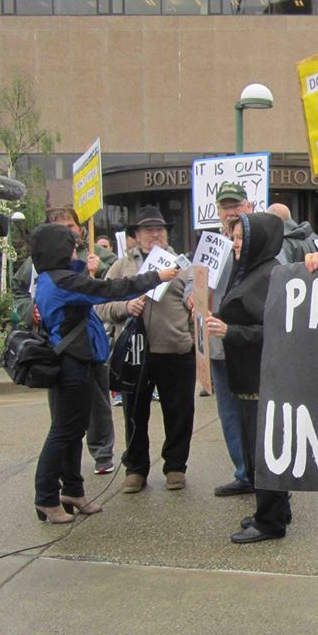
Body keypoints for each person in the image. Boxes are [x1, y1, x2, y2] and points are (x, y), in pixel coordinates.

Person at [29, 222, 177, 523]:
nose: (75, 250)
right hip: (72, 362)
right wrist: (156, 277)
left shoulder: (52, 278)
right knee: (64, 431)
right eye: (70, 245)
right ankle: (46, 497)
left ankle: (72, 490)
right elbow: (109, 289)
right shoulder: (62, 281)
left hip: (76, 360)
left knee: (73, 430)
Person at [95, 206, 196, 494]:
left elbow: (198, 304)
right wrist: (125, 307)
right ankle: (136, 468)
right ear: (135, 236)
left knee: (179, 412)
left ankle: (176, 465)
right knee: (134, 414)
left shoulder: (183, 264)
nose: (155, 234)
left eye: (160, 229)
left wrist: (191, 339)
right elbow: (99, 304)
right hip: (135, 353)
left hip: (175, 350)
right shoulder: (120, 267)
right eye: (148, 229)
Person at [12, 206, 118, 474]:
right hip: (57, 342)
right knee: (64, 410)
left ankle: (102, 452)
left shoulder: (95, 253)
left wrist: (101, 267)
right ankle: (66, 467)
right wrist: (30, 310)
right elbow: (20, 290)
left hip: (92, 338)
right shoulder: (38, 261)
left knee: (97, 402)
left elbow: (115, 280)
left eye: (71, 225)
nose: (68, 233)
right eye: (60, 227)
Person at [205, 212, 290, 543]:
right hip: (246, 376)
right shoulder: (251, 272)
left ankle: (270, 522)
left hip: (261, 380)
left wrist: (230, 330)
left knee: (263, 453)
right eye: (234, 238)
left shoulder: (268, 276)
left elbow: (275, 331)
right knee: (258, 450)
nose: (235, 244)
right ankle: (273, 511)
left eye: (240, 238)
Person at [202, 182, 254, 497]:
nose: (230, 211)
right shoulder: (209, 247)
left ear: (248, 206)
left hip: (250, 346)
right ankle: (243, 473)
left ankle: (266, 475)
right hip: (220, 348)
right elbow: (190, 286)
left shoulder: (261, 242)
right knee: (230, 414)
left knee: (257, 414)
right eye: (225, 207)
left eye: (236, 205)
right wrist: (190, 300)